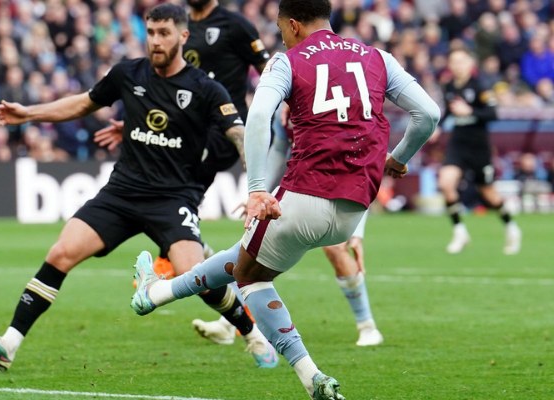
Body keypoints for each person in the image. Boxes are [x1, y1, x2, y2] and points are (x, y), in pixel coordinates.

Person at [130, 0, 440, 398]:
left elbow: (258, 118)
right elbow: (428, 114)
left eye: (280, 29)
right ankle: (154, 293)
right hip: (355, 205)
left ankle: (311, 377)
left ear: (292, 25)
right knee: (245, 259)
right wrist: (397, 160)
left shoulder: (287, 61)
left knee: (248, 278)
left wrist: (257, 188)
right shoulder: (377, 57)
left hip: (305, 194)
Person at [0, 4, 276, 372]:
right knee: (61, 252)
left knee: (197, 276)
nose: (156, 41)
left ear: (183, 36)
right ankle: (8, 344)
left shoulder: (206, 89)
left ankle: (252, 334)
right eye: (152, 32)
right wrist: (29, 113)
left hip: (173, 197)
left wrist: (256, 187)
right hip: (121, 194)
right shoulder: (129, 73)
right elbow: (83, 103)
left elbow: (239, 136)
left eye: (164, 33)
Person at [94, 0, 279, 356]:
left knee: (173, 196)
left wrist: (267, 116)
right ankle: (205, 280)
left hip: (221, 133)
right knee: (175, 206)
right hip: (186, 133)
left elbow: (269, 71)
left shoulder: (236, 25)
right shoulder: (176, 26)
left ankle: (172, 264)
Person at [192, 120, 384, 348]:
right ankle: (228, 324)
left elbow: (367, 159)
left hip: (342, 190)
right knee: (253, 249)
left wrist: (357, 231)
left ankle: (368, 326)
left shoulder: (329, 102)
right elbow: (278, 149)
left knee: (336, 250)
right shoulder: (286, 109)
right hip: (302, 189)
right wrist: (258, 191)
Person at [438, 48, 521, 255]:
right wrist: (436, 128)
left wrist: (470, 111)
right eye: (453, 61)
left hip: (478, 146)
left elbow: (493, 114)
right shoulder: (449, 86)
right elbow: (449, 111)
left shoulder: (481, 86)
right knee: (446, 183)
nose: (457, 65)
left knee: (489, 195)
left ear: (469, 64)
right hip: (457, 143)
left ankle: (511, 226)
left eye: (461, 61)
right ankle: (459, 232)